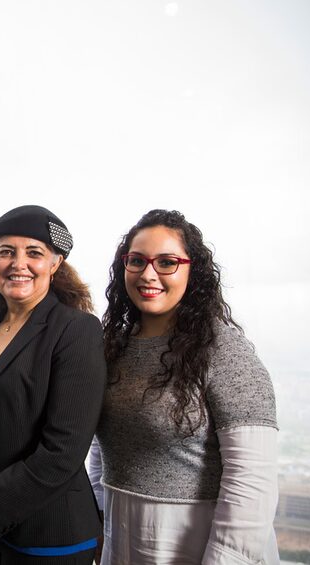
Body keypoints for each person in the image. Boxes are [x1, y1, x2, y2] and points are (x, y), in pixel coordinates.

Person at [89, 209, 279, 564]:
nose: (149, 274)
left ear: (194, 271)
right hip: (123, 537)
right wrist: (96, 522)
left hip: (197, 543)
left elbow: (251, 478)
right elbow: (105, 449)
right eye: (137, 261)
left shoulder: (224, 350)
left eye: (167, 262)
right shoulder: (113, 346)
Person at [0, 205, 107, 565]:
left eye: (34, 253)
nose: (19, 264)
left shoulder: (76, 330)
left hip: (49, 537)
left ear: (55, 263)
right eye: (6, 252)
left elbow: (63, 452)